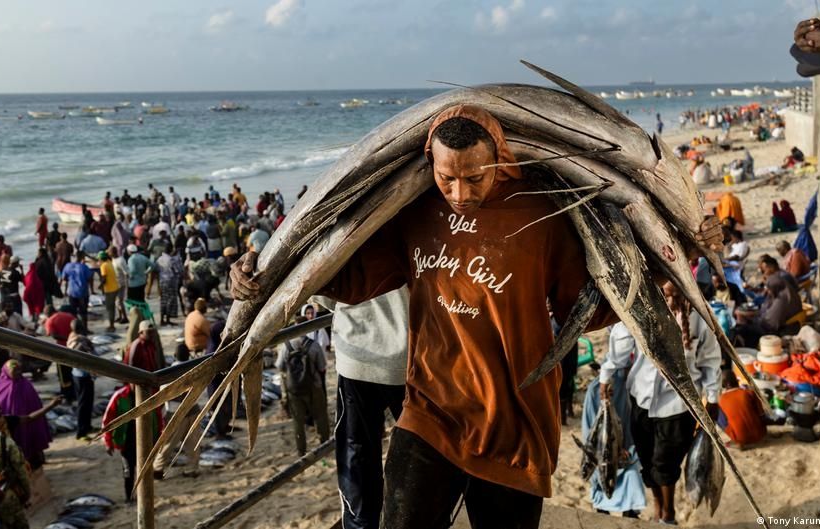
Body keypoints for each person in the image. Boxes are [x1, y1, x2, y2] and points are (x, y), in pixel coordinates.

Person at [231, 105, 725, 527]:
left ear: (501, 158)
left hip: (516, 426)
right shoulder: (414, 210)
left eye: (474, 177)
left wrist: (680, 254)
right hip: (431, 412)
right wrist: (263, 275)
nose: (460, 192)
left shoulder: (542, 211)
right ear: (430, 161)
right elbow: (352, 276)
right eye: (447, 177)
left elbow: (587, 304)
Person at [600, 282, 721, 524]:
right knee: (646, 460)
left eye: (675, 294)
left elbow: (710, 360)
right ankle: (657, 506)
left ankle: (668, 513)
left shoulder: (698, 317)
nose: (670, 300)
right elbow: (620, 347)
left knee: (666, 464)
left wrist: (713, 398)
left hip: (679, 407)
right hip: (641, 400)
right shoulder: (641, 308)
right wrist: (606, 375)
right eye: (665, 294)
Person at [314, 289, 408, 529]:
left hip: (359, 352)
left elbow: (326, 291)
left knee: (358, 467)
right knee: (422, 465)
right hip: (416, 352)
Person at [583, 355, 645, 518]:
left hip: (625, 452)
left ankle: (630, 514)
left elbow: (631, 427)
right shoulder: (594, 390)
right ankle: (602, 511)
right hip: (600, 452)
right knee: (600, 478)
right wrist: (607, 450)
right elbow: (589, 430)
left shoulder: (630, 389)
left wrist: (625, 449)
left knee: (632, 475)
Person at [277, 316, 329, 456]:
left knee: (298, 421)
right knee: (320, 416)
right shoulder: (313, 345)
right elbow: (322, 367)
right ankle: (324, 444)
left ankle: (301, 450)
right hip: (314, 386)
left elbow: (280, 367)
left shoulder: (286, 346)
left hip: (293, 389)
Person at [103, 384, 162, 504]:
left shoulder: (149, 394)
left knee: (144, 471)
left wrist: (159, 436)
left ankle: (145, 498)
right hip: (126, 442)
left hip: (146, 440)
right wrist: (108, 442)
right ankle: (129, 497)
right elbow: (108, 419)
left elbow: (158, 416)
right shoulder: (119, 396)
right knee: (128, 472)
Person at [0, 359, 53, 469]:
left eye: (19, 370)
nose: (18, 373)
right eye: (14, 371)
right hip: (8, 422)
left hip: (26, 420)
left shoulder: (26, 384)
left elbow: (35, 404)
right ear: (6, 371)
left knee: (29, 440)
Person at [153, 345, 201, 480]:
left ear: (174, 356)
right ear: (188, 355)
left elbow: (164, 393)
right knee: (193, 443)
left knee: (168, 444)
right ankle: (193, 468)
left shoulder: (169, 372)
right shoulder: (195, 369)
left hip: (175, 413)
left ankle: (157, 468)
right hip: (193, 410)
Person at [735, 255, 804, 346]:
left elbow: (770, 325)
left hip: (779, 332)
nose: (768, 291)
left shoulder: (781, 300)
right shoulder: (784, 292)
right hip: (780, 324)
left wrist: (753, 319)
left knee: (742, 329)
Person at [717, 373, 768, 448]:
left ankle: (736, 440)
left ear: (726, 385)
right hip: (760, 434)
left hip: (740, 439)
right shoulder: (750, 392)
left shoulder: (722, 399)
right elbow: (762, 414)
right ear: (736, 380)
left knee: (717, 414)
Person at [67, 320, 96, 440]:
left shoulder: (71, 337)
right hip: (83, 375)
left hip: (77, 374)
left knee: (87, 402)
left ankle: (87, 426)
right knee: (83, 403)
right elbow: (92, 355)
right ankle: (81, 432)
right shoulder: (82, 340)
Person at [43, 305, 77, 402]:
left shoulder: (50, 321)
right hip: (74, 347)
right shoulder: (68, 315)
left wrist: (66, 339)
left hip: (61, 350)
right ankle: (74, 391)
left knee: (63, 374)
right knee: (72, 370)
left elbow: (53, 335)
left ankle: (67, 394)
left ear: (47, 314)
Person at [60, 252, 94, 323]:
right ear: (82, 258)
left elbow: (64, 278)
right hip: (83, 292)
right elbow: (90, 278)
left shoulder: (68, 266)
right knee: (83, 312)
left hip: (72, 292)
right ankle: (84, 327)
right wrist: (91, 290)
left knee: (73, 312)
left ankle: (75, 326)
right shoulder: (84, 267)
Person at [156, 246, 184, 326]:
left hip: (162, 281)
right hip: (171, 281)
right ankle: (168, 319)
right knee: (170, 300)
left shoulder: (159, 259)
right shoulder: (171, 260)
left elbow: (156, 269)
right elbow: (178, 270)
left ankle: (162, 319)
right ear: (171, 251)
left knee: (163, 300)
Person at [98, 251, 120, 332]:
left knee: (109, 308)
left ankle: (111, 326)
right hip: (115, 287)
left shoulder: (103, 266)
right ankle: (112, 324)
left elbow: (104, 279)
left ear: (101, 259)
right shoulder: (109, 262)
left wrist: (100, 286)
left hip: (109, 289)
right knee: (112, 307)